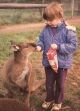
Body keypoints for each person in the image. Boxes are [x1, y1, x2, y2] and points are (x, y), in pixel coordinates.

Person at [36, 2, 77, 111]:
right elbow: (40, 39)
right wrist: (40, 45)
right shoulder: (46, 29)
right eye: (47, 20)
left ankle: (58, 102)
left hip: (62, 64)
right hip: (49, 62)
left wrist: (59, 47)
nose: (48, 22)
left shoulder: (69, 30)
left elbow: (73, 46)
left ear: (59, 17)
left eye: (50, 20)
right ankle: (49, 99)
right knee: (49, 83)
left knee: (60, 85)